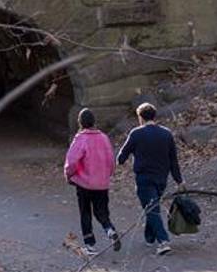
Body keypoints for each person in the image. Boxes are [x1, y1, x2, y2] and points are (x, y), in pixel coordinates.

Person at [117, 103, 185, 255]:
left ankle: (163, 241)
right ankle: (149, 238)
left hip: (144, 178)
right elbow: (173, 160)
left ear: (140, 117)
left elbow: (121, 157)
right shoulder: (166, 134)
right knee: (152, 207)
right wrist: (179, 180)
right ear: (154, 116)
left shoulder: (136, 134)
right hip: (162, 178)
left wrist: (121, 160)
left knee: (152, 209)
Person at [64, 107, 121, 257]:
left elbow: (72, 161)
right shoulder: (103, 138)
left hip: (84, 183)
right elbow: (110, 160)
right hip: (102, 183)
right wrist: (107, 175)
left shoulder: (80, 138)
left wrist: (68, 175)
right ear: (94, 122)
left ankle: (90, 244)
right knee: (101, 211)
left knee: (85, 212)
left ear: (80, 122)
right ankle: (110, 230)